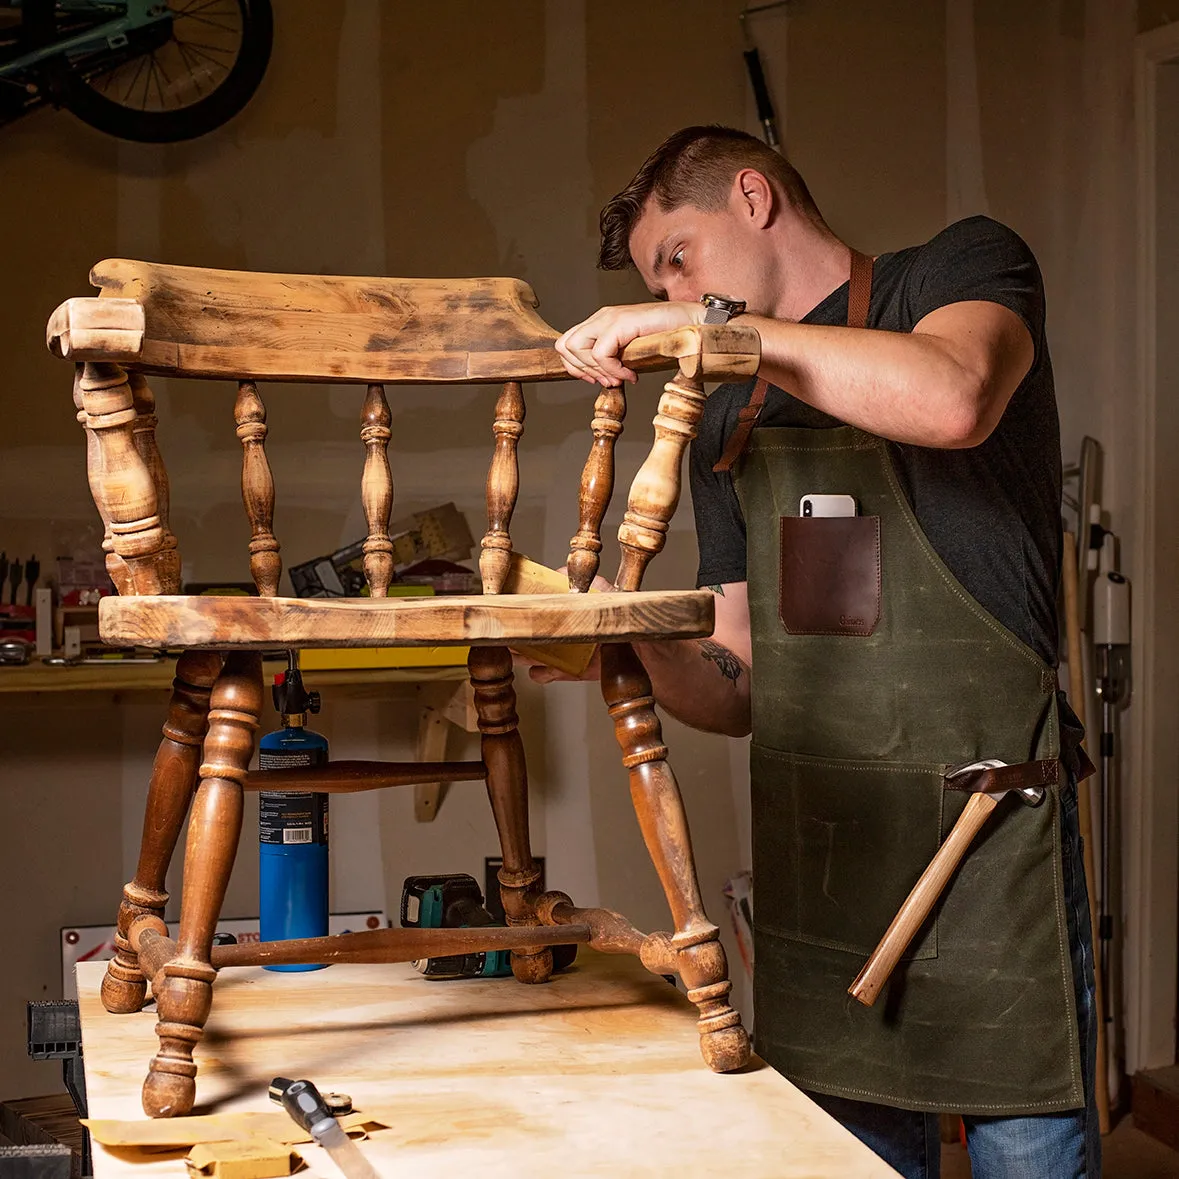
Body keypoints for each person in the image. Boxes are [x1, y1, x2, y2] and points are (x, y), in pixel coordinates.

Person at [541, 125, 1100, 1179]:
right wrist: (628, 654)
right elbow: (738, 683)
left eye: (678, 260)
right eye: (661, 283)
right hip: (826, 867)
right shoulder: (724, 421)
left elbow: (953, 398)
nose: (673, 300)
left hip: (990, 845)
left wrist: (723, 333)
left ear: (753, 198)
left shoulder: (962, 268)